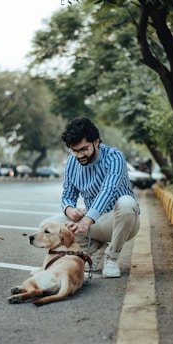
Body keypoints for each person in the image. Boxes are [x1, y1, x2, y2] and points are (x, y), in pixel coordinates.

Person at [39, 117, 140, 278]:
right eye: (74, 150)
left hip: (119, 220)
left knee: (127, 203)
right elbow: (68, 194)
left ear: (96, 142)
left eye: (83, 149)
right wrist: (70, 209)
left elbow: (109, 190)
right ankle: (95, 248)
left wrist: (87, 220)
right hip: (93, 222)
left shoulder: (114, 157)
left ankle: (112, 258)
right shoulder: (72, 162)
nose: (79, 155)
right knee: (45, 226)